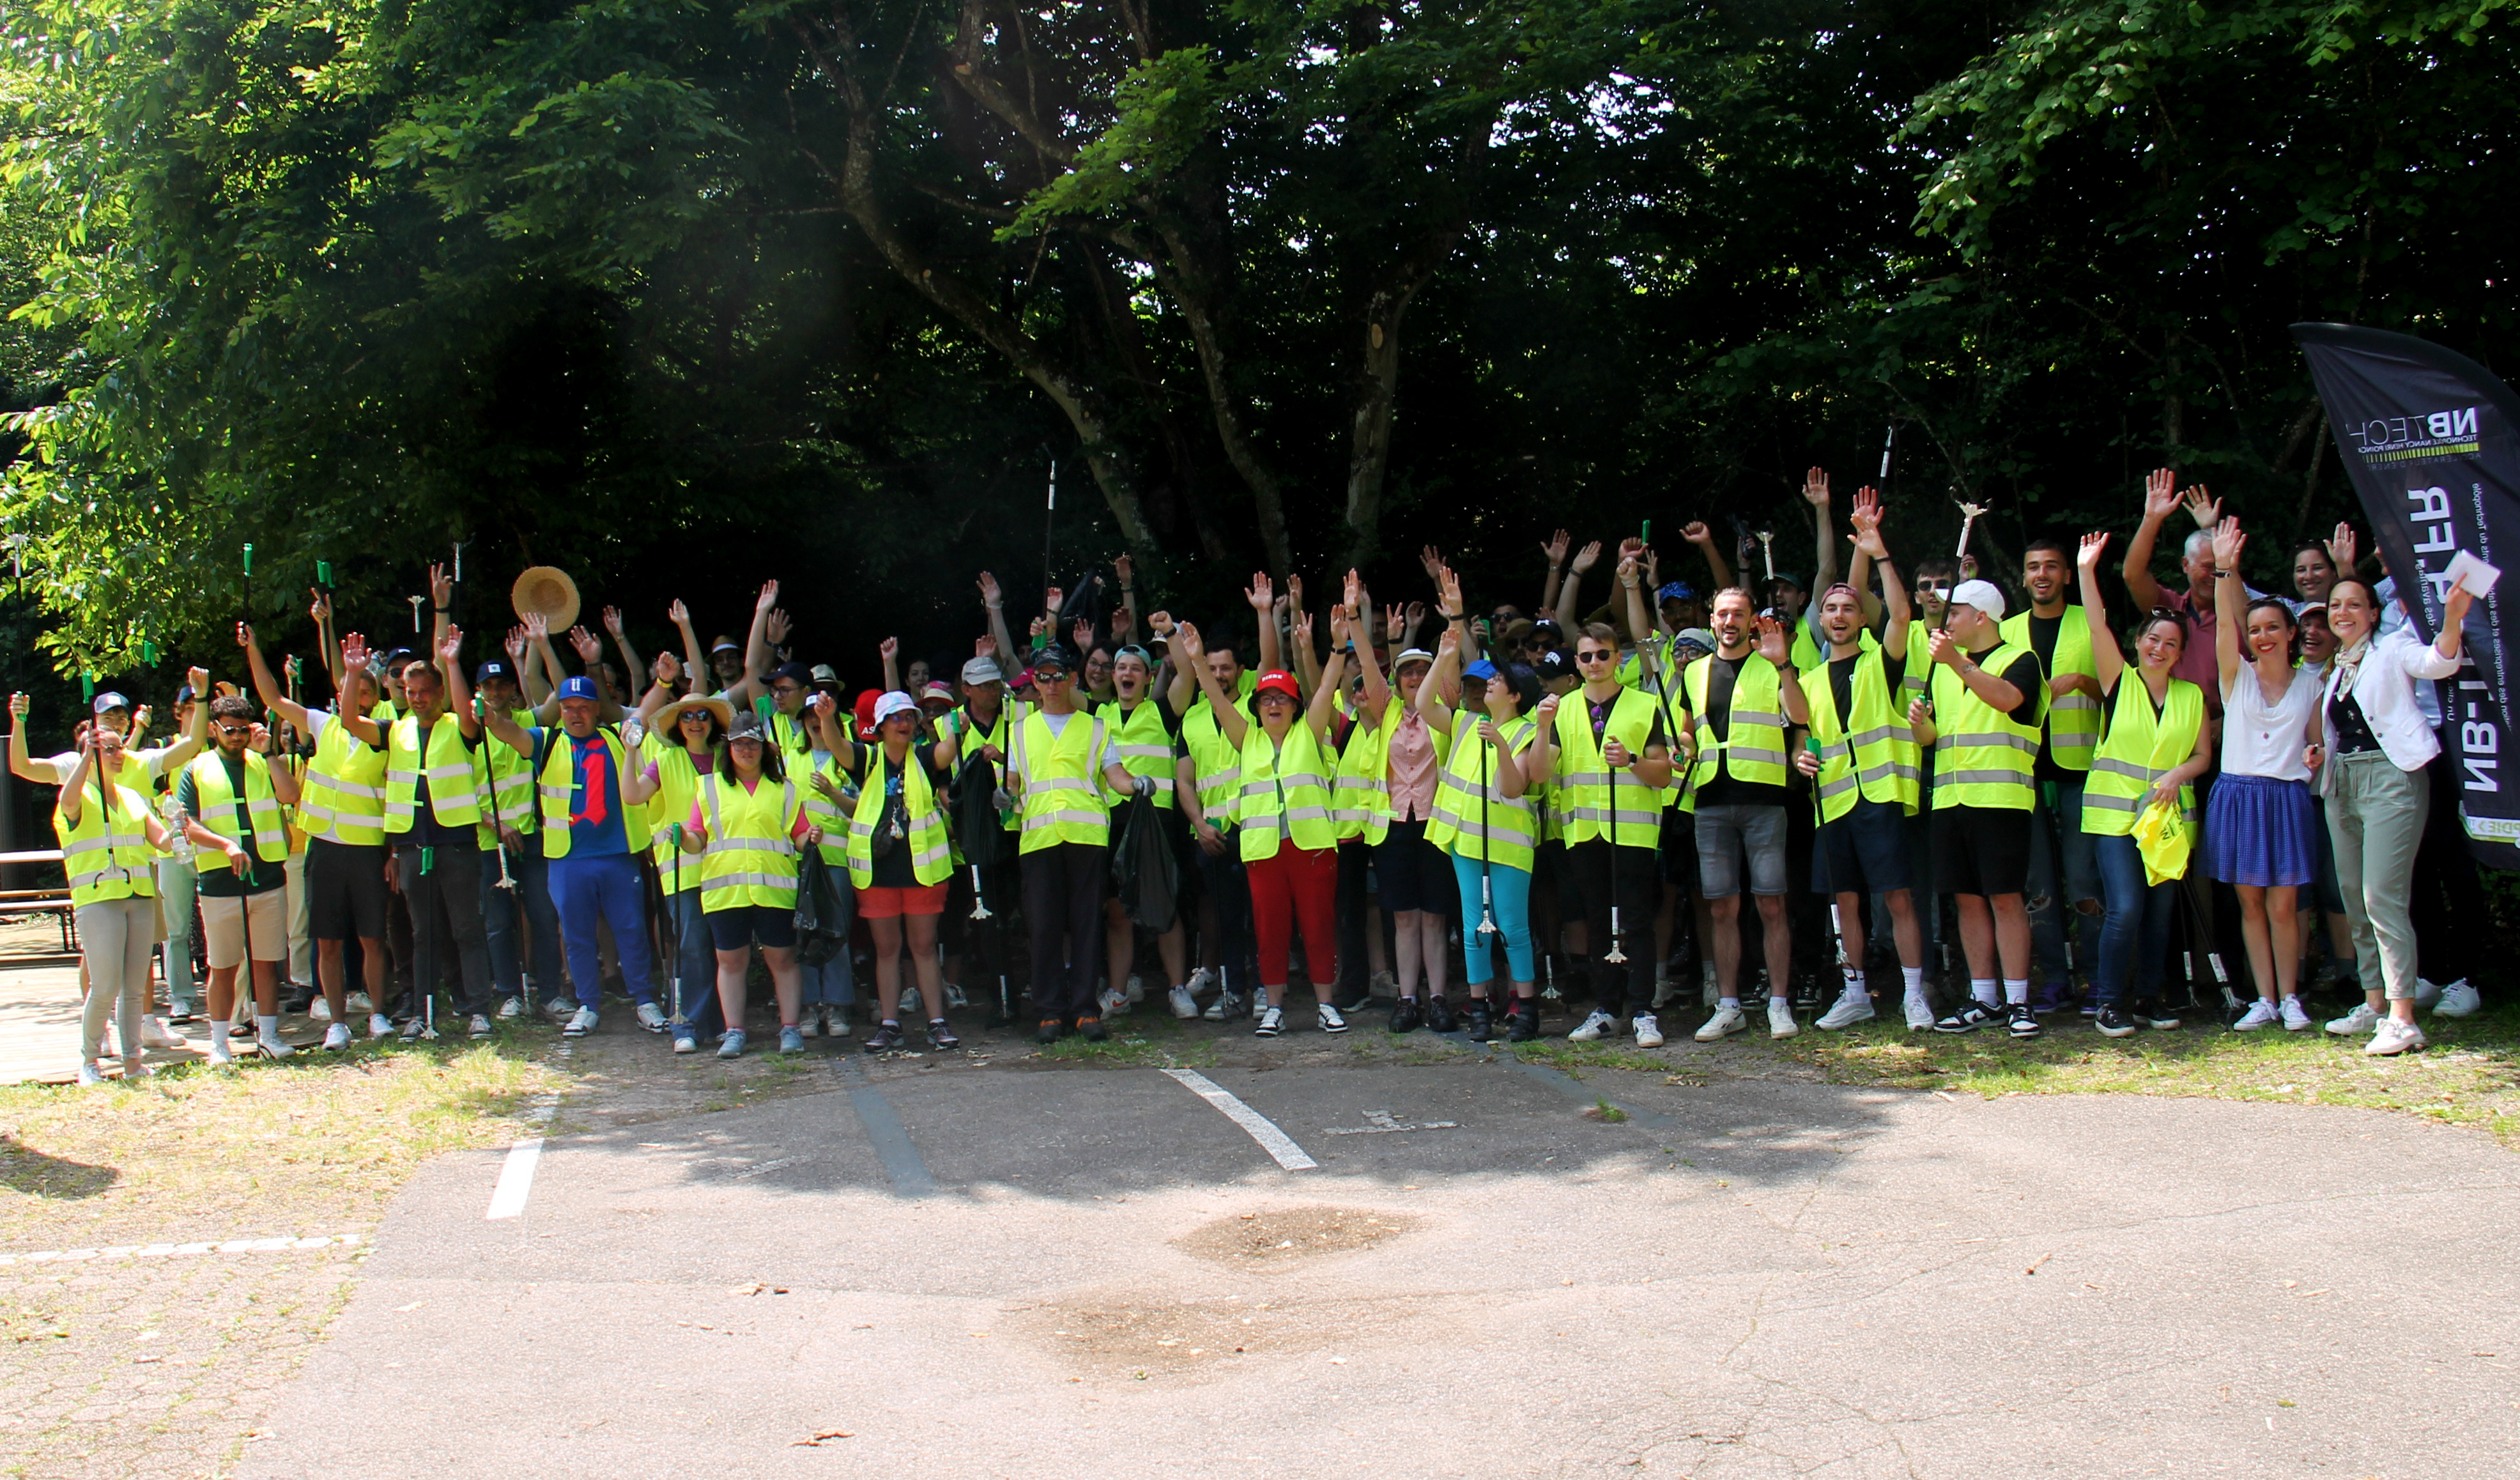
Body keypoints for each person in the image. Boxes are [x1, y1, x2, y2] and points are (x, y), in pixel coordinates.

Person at [2315, 571, 2471, 1055]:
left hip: (2392, 779)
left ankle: (2403, 1018)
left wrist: (2452, 619)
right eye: (2335, 605)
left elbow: (2438, 662)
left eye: (2354, 605)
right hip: (2343, 782)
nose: (2342, 612)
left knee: (2382, 895)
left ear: (2373, 612)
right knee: (2354, 899)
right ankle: (2375, 1003)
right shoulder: (2338, 668)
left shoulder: (2393, 647)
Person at [1173, 620, 1349, 1037]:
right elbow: (1216, 698)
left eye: (1282, 699)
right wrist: (1197, 659)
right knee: (1269, 931)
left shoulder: (1311, 731)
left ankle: (1326, 1005)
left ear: (1294, 706)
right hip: (1263, 851)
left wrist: (1339, 648)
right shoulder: (1246, 737)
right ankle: (1273, 1007)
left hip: (1312, 849)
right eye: (1266, 698)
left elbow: (1325, 688)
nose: (1274, 705)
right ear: (1256, 707)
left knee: (1318, 926)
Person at [479, 665, 667, 1039]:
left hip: (618, 853)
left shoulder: (619, 736)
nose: (576, 714)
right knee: (577, 934)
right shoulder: (545, 742)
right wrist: (485, 716)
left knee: (631, 928)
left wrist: (662, 681)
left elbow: (645, 714)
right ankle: (588, 1004)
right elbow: (507, 730)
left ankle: (645, 1000)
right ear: (560, 710)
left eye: (584, 707)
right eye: (568, 707)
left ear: (598, 709)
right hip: (568, 858)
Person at [2072, 533, 2212, 1037]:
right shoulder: (2119, 680)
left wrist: (2178, 774)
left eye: (2171, 643)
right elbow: (2094, 624)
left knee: (2159, 914)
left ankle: (2149, 998)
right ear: (2139, 642)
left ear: (2180, 654)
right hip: (2115, 819)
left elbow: (2202, 756)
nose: (2160, 648)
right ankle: (2109, 1003)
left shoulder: (2192, 695)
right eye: (2153, 639)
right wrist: (2087, 571)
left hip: (2169, 823)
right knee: (2127, 906)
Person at [1801, 499, 1929, 1032]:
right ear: (1822, 620)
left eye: (1848, 609)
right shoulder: (1806, 682)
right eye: (1830, 609)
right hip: (1833, 804)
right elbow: (1802, 743)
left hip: (1881, 799)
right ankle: (1856, 994)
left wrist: (1878, 556)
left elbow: (1901, 615)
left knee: (1897, 898)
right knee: (1844, 903)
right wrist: (1799, 757)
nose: (1838, 616)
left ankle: (1916, 995)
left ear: (1860, 618)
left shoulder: (1882, 660)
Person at [2200, 518, 2324, 1031]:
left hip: (2287, 797)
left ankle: (2291, 998)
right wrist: (2226, 569)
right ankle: (2264, 1000)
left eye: (2273, 627)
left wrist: (2316, 755)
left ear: (2292, 633)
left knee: (2284, 906)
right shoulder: (2237, 678)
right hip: (2239, 795)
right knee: (2249, 905)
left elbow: (2317, 742)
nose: (2263, 636)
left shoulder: (2313, 685)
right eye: (2256, 630)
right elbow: (2225, 627)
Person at [1910, 578, 2047, 1037]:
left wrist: (1957, 663)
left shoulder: (2021, 660)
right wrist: (1922, 727)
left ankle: (2020, 1001)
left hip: (2001, 801)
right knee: (1967, 901)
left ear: (1981, 617)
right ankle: (1984, 998)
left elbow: (2009, 700)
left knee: (2006, 898)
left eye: (1956, 613)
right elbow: (1935, 740)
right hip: (1951, 800)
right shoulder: (1946, 670)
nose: (1946, 622)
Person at [245, 621, 393, 1038]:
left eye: (366, 691)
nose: (358, 697)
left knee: (371, 939)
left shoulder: (385, 735)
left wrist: (391, 854)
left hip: (365, 850)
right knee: (326, 941)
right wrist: (254, 648)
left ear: (376, 698)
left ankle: (378, 1013)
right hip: (323, 849)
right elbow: (272, 698)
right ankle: (337, 1022)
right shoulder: (321, 723)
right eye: (352, 688)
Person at [1419, 568, 1549, 1042]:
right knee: (1474, 928)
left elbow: (1516, 787)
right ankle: (1478, 1009)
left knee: (1512, 927)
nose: (1486, 686)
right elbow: (1423, 700)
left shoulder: (1529, 732)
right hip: (1465, 841)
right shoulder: (1464, 722)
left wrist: (1501, 745)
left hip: (1510, 846)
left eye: (1496, 682)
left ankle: (1527, 1009)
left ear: (1515, 695)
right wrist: (1444, 655)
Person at [1539, 612, 1675, 1044]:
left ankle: (1642, 1009)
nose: (1594, 662)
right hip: (1584, 832)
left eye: (1602, 654)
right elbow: (1540, 773)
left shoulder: (1644, 704)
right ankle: (1607, 1008)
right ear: (1576, 663)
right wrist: (1541, 729)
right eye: (1586, 656)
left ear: (1618, 658)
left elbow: (1664, 774)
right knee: (1598, 921)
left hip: (1632, 831)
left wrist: (1632, 762)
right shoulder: (1563, 710)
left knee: (1636, 919)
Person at [1003, 643, 1148, 1042]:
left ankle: (1084, 1010)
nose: (1050, 684)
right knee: (1044, 926)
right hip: (1038, 838)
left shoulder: (1095, 726)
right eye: (1043, 677)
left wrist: (1135, 785)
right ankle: (1049, 1011)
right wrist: (1006, 796)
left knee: (1087, 925)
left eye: (1058, 676)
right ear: (1034, 681)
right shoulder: (1019, 730)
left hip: (1086, 837)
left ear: (1071, 678)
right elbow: (1014, 783)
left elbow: (1114, 774)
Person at [675, 709, 821, 1056]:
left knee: (783, 959)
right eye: (739, 743)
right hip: (726, 889)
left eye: (753, 743)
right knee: (730, 962)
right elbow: (698, 838)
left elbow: (798, 834)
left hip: (775, 889)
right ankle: (734, 1031)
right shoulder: (709, 787)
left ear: (764, 749)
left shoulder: (784, 790)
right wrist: (682, 837)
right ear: (728, 748)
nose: (746, 750)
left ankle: (790, 1029)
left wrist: (810, 836)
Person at [378, 631, 499, 1039]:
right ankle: (423, 1012)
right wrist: (355, 672)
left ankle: (479, 1009)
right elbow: (347, 723)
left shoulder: (456, 724)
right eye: (409, 691)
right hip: (413, 845)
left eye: (424, 692)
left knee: (466, 927)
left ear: (439, 692)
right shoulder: (397, 730)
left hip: (457, 843)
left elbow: (469, 715)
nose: (416, 698)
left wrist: (451, 662)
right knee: (422, 933)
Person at [2002, 535, 2103, 1012]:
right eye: (2033, 567)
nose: (2042, 574)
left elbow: (2125, 691)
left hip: (2081, 772)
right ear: (2023, 578)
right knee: (2037, 886)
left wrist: (2084, 682)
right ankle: (2056, 979)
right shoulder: (2007, 630)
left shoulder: (2091, 622)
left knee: (2083, 880)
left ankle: (2099, 980)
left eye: (2051, 566)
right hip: (2021, 774)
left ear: (2066, 575)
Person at [176, 696, 303, 1063]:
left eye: (243, 729)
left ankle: (270, 1037)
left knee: (266, 962)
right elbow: (186, 823)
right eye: (229, 729)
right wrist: (226, 845)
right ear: (214, 728)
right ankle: (219, 1045)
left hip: (267, 876)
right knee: (223, 965)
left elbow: (291, 796)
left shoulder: (261, 761)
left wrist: (269, 754)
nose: (236, 736)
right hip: (219, 881)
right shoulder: (196, 768)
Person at [834, 690, 963, 1050]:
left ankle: (937, 1022)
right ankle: (890, 1024)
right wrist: (829, 718)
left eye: (908, 716)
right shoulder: (868, 757)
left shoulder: (923, 756)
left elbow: (948, 750)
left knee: (924, 947)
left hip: (921, 870)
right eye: (896, 717)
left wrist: (954, 725)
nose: (904, 723)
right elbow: (837, 746)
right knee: (887, 949)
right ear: (880, 726)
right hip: (878, 871)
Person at [54, 723, 176, 1084]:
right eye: (109, 749)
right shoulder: (77, 793)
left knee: (135, 987)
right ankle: (90, 1061)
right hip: (98, 899)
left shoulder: (132, 797)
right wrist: (87, 757)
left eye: (120, 747)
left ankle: (133, 1062)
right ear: (89, 755)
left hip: (138, 896)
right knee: (105, 986)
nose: (119, 754)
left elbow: (164, 843)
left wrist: (180, 825)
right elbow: (69, 803)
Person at [1355, 629, 1454, 1031]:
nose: (1415, 677)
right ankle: (1407, 999)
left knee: (1435, 917)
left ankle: (1439, 999)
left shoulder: (1444, 707)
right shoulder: (1387, 710)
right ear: (1396, 682)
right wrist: (1354, 621)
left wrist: (1454, 621)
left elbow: (1450, 668)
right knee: (1403, 919)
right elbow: (1365, 666)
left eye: (1422, 671)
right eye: (1407, 672)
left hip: (1435, 823)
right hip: (1394, 825)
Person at [1096, 642, 1192, 1020]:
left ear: (1149, 677)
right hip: (1111, 822)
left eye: (1136, 668)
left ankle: (1177, 988)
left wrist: (1171, 633)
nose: (1127, 674)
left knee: (1164, 907)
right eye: (1121, 667)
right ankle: (1118, 994)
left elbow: (1187, 674)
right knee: (1118, 912)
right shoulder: (1095, 715)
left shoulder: (1162, 711)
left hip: (1156, 820)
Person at [638, 690, 731, 1052]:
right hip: (681, 871)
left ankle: (722, 1023)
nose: (695, 722)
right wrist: (631, 750)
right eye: (687, 716)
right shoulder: (665, 759)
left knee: (726, 949)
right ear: (677, 724)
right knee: (692, 948)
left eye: (703, 715)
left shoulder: (730, 756)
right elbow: (632, 796)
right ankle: (687, 1024)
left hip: (727, 870)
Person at [476, 644, 562, 1018]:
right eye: (488, 686)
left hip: (533, 836)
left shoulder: (531, 720)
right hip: (490, 840)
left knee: (544, 916)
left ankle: (550, 993)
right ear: (479, 691)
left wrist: (540, 646)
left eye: (501, 685)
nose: (495, 693)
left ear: (513, 689)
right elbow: (458, 787)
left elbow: (563, 693)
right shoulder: (468, 730)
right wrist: (493, 823)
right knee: (498, 924)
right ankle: (510, 993)